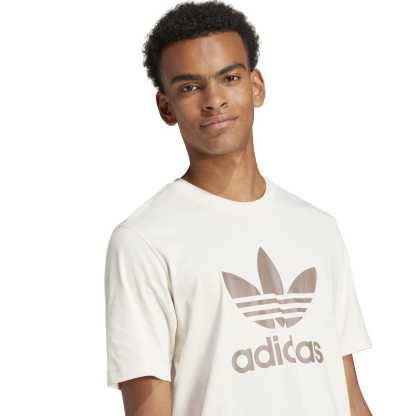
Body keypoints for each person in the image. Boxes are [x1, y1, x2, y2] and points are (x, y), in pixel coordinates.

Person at [104, 1, 373, 415]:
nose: (214, 100)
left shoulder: (318, 228)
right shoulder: (144, 241)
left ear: (256, 86)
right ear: (166, 107)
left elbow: (348, 394)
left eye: (229, 78)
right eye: (190, 87)